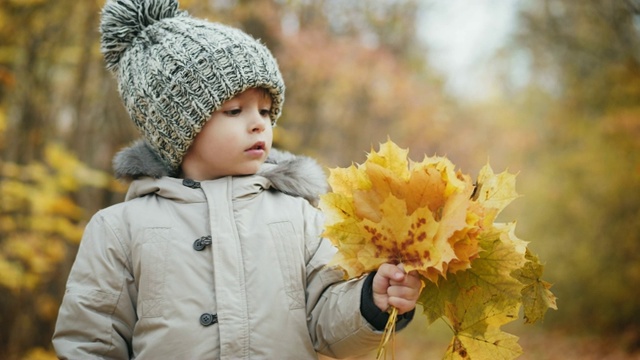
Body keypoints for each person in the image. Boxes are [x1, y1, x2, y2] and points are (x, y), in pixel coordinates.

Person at [52, 0, 422, 358]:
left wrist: (371, 301)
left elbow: (327, 323)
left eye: (265, 109)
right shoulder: (121, 229)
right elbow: (90, 341)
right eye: (234, 110)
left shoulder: (300, 218)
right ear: (179, 128)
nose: (259, 123)